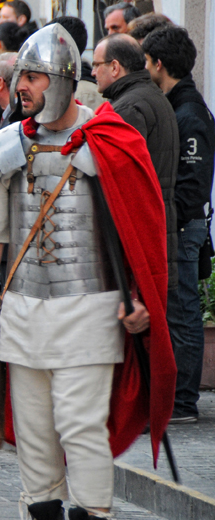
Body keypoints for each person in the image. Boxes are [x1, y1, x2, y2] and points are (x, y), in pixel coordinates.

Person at [0, 23, 175, 520]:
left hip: (91, 310)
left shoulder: (110, 140)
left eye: (33, 78)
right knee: (35, 435)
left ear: (59, 78)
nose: (22, 88)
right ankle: (42, 512)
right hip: (23, 313)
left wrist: (142, 296)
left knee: (81, 426)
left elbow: (138, 230)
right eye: (21, 78)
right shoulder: (6, 145)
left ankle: (92, 513)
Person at [143, 25, 215, 423]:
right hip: (178, 228)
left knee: (183, 314)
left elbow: (193, 186)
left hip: (183, 230)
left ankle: (183, 402)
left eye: (147, 62)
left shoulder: (188, 114)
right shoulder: (178, 107)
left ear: (159, 64)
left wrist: (169, 220)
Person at [94, 34, 179, 314]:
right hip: (158, 224)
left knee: (144, 336)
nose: (93, 72)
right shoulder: (150, 96)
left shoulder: (129, 107)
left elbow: (124, 182)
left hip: (143, 231)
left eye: (97, 65)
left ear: (115, 67)